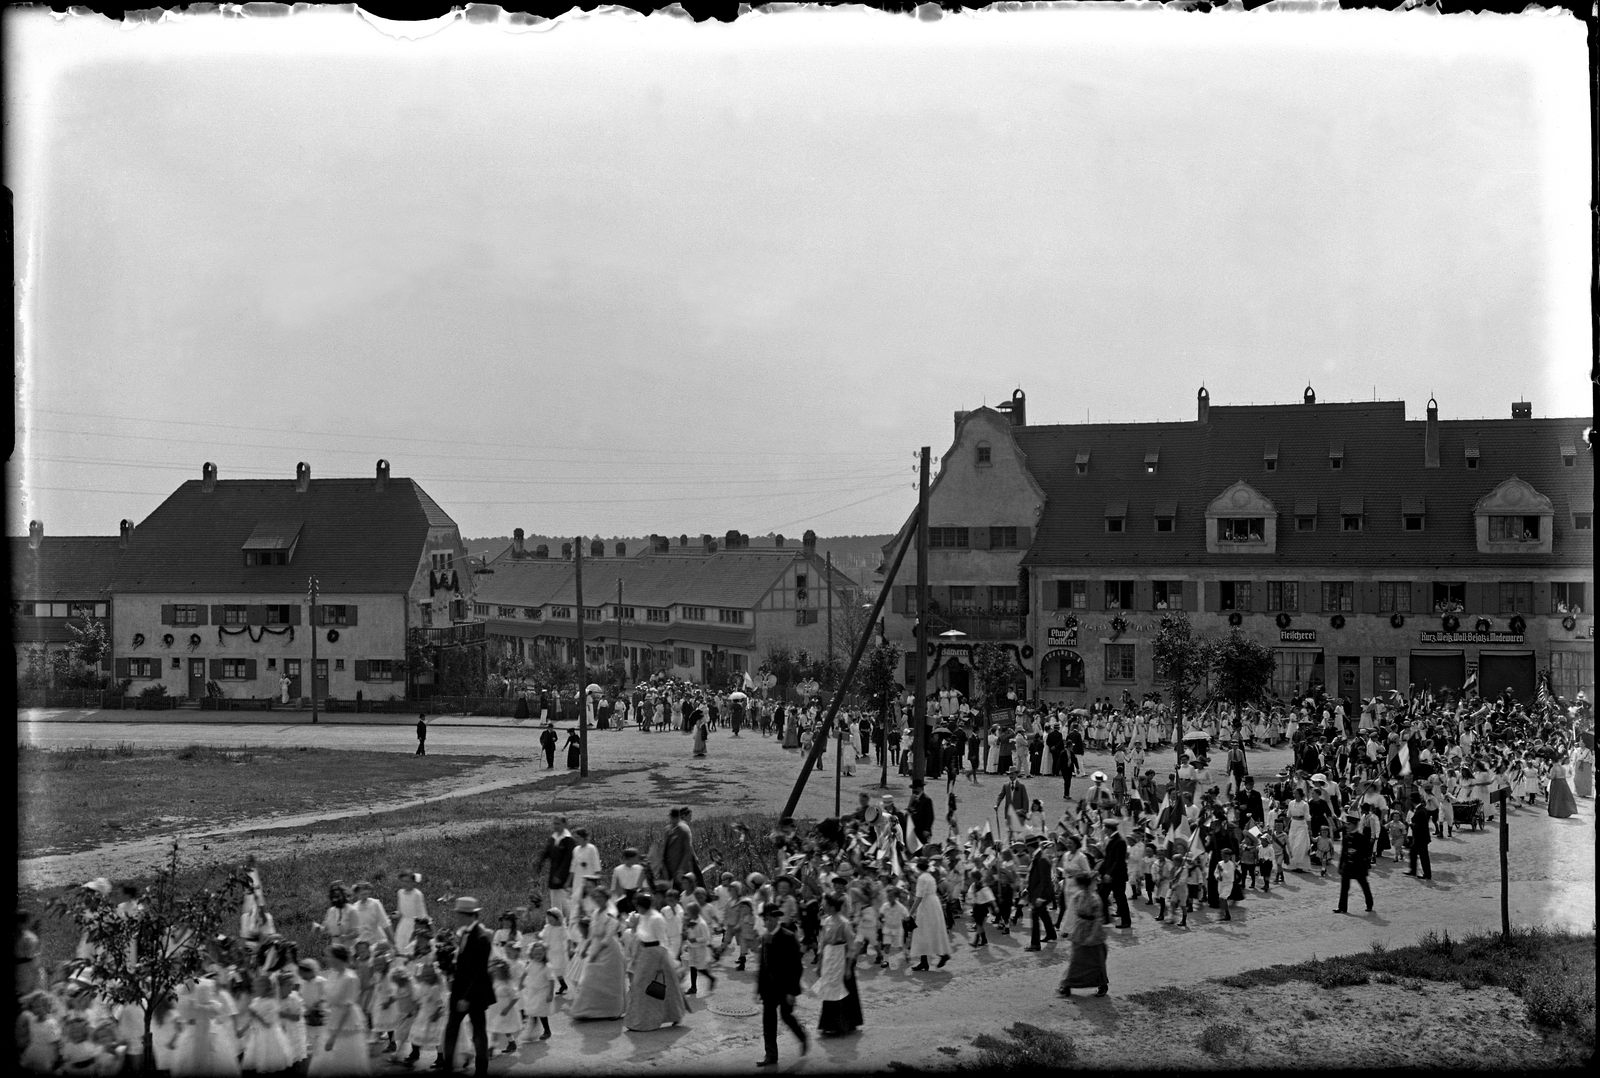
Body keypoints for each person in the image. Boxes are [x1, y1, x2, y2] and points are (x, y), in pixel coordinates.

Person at [441, 897, 492, 1077]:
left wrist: (466, 998)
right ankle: (447, 1066)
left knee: (478, 1032)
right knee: (451, 1029)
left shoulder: (481, 937)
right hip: (459, 990)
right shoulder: (464, 933)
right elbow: (462, 963)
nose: (457, 917)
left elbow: (479, 972)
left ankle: (481, 1070)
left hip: (474, 994)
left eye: (459, 914)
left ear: (468, 915)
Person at [623, 893, 689, 1031]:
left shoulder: (656, 918)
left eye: (639, 906)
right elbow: (638, 933)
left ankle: (673, 1014)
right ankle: (640, 1019)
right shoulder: (643, 917)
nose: (637, 909)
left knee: (662, 987)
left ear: (643, 906)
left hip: (657, 954)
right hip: (644, 953)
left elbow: (663, 940)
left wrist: (664, 961)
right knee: (640, 987)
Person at [754, 903, 808, 1067]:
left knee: (786, 1016)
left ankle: (802, 1037)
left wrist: (792, 991)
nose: (767, 922)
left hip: (785, 987)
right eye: (765, 919)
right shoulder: (765, 937)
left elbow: (796, 967)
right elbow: (763, 966)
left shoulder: (788, 936)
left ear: (777, 919)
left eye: (770, 919)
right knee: (768, 1021)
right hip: (769, 989)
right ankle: (771, 1055)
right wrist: (758, 989)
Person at [812, 892, 862, 1036]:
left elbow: (851, 947)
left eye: (825, 905)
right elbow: (822, 943)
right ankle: (828, 1024)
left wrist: (848, 967)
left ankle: (843, 1025)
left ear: (833, 907)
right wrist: (819, 964)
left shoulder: (844, 923)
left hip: (840, 956)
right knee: (828, 988)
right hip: (829, 957)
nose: (823, 907)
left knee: (841, 990)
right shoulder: (826, 921)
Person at [1057, 871, 1109, 997]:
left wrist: (1092, 936)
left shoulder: (1095, 899)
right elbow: (1071, 913)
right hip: (1080, 930)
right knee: (1076, 959)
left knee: (1096, 961)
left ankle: (1102, 984)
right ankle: (1067, 985)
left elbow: (1098, 919)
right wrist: (1065, 929)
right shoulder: (1077, 896)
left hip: (1093, 931)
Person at [908, 859, 951, 971]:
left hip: (926, 906)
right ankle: (925, 961)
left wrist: (911, 912)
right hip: (934, 904)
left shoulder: (922, 878)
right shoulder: (930, 877)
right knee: (930, 931)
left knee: (923, 932)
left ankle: (938, 956)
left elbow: (919, 897)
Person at [1332, 811, 1374, 915]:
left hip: (1358, 866)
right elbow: (1343, 853)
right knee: (1344, 887)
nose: (1347, 826)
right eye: (1347, 824)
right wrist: (1341, 866)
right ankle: (1342, 907)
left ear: (1355, 825)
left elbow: (1367, 852)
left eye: (1349, 824)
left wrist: (1358, 856)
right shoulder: (1346, 837)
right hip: (1347, 866)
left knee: (1364, 885)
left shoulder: (1362, 837)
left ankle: (1369, 904)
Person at [1024, 838, 1058, 950]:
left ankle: (1035, 944)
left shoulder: (1041, 859)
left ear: (1030, 847)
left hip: (1042, 894)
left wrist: (1041, 897)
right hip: (1040, 892)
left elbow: (1045, 880)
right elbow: (1035, 878)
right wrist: (1028, 889)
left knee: (1035, 915)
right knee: (1043, 913)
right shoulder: (1039, 857)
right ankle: (1051, 934)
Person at [1404, 794, 1432, 880]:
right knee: (1413, 852)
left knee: (1423, 856)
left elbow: (1418, 826)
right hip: (1421, 837)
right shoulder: (1421, 809)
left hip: (1420, 837)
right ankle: (1413, 871)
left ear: (1412, 801)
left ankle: (1427, 874)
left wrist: (1411, 824)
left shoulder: (1420, 811)